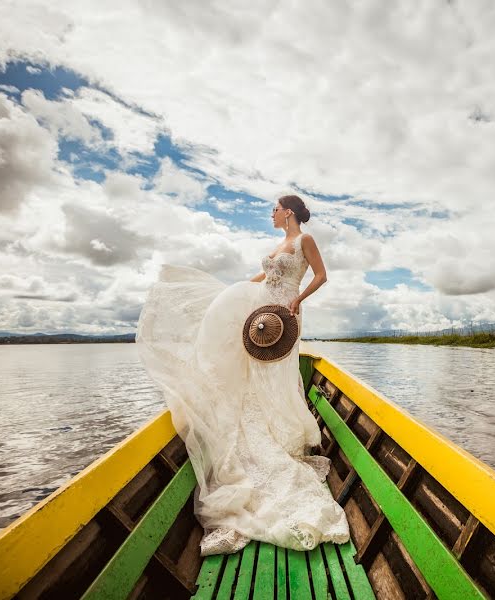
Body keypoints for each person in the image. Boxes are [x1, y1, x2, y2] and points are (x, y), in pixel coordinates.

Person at [135, 194, 350, 555]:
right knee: (252, 378)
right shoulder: (280, 244)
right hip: (261, 313)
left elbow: (322, 276)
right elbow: (265, 275)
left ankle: (278, 444)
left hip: (283, 314)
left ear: (290, 212)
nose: (272, 213)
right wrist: (233, 292)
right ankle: (262, 434)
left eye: (275, 209)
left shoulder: (303, 240)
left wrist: (298, 300)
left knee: (274, 377)